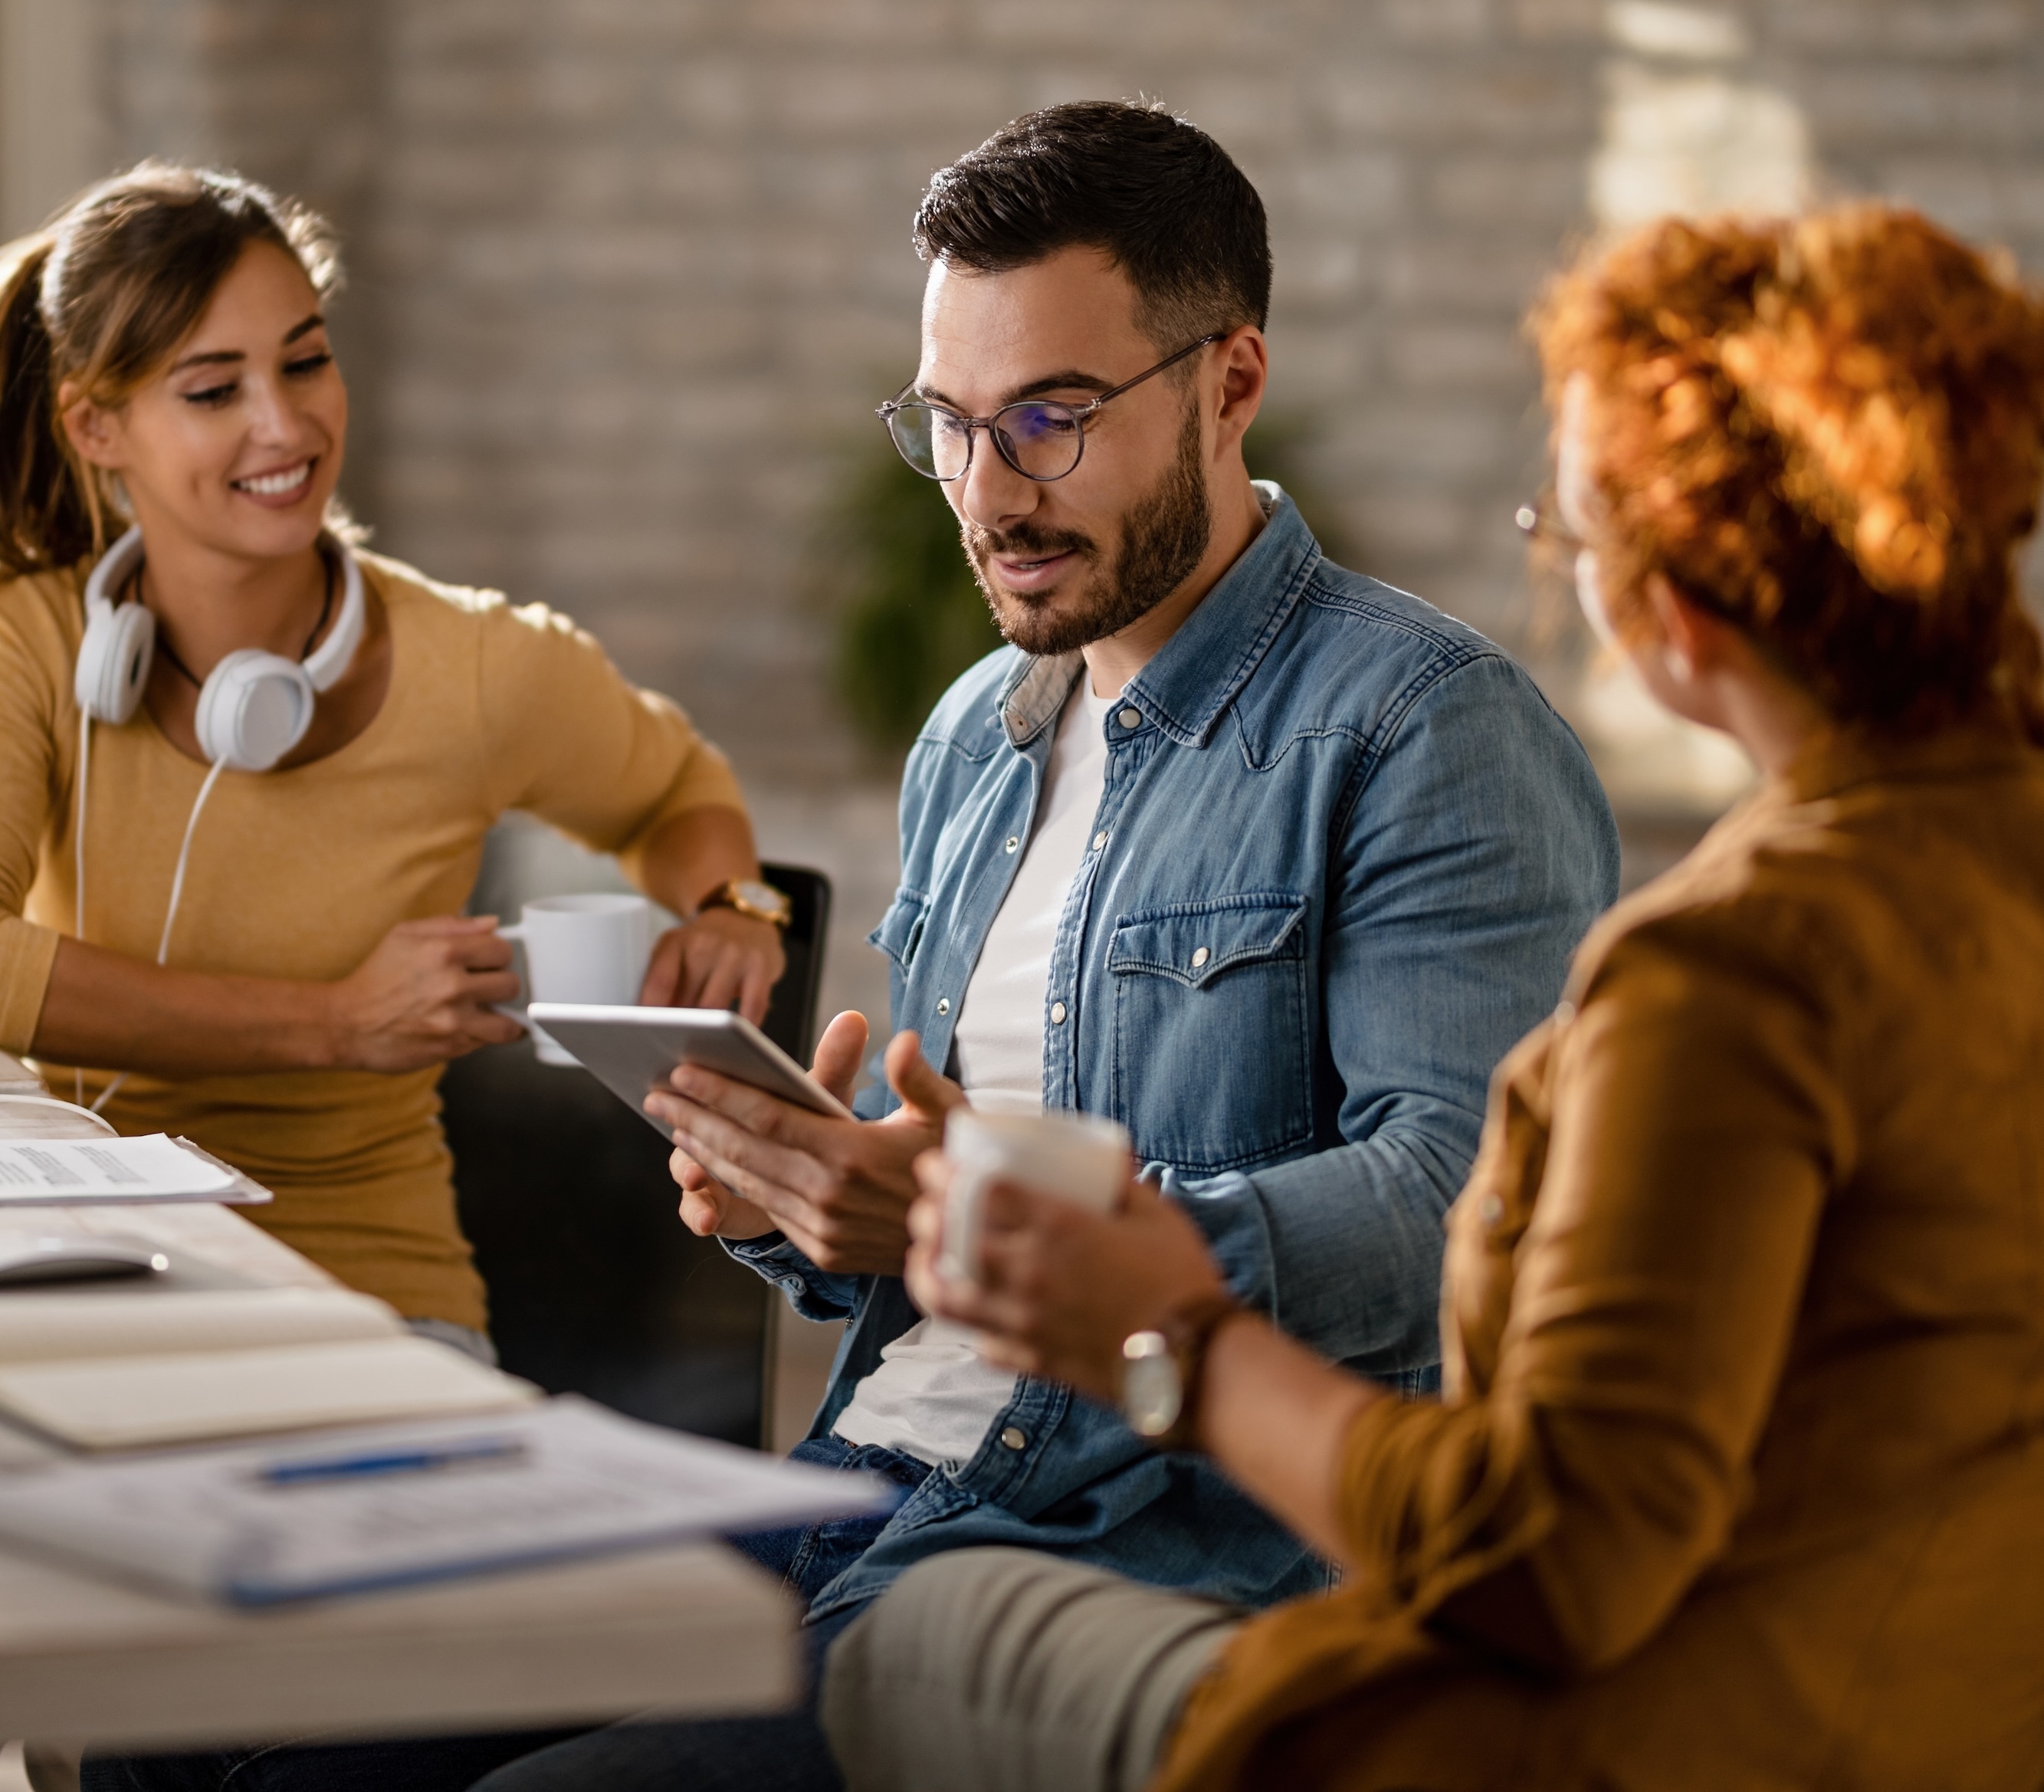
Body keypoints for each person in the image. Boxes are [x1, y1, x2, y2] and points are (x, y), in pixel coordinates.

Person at [415, 100, 1616, 1792]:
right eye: (952, 425)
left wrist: (1038, 1225)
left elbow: (1470, 1203)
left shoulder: (1421, 731)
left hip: (1129, 1547)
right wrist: (808, 1201)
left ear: (1229, 380)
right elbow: (926, 1217)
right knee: (244, 1728)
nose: (988, 494)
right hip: (853, 1486)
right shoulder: (975, 731)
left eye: (1048, 418)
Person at [821, 202, 2044, 1792]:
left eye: (1570, 530)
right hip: (1944, 1703)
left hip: (1627, 1731)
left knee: (904, 1641)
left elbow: (1548, 1554)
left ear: (1668, 609)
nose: (990, 483)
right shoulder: (1955, 883)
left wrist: (1164, 1322)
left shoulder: (1728, 972)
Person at [0, 162, 786, 1351]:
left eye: (305, 360)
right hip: (102, 1269)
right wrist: (332, 1022)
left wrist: (735, 905)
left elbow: (677, 788)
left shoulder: (482, 666)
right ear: (96, 425)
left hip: (380, 1295)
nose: (286, 424)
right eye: (215, 388)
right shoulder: (37, 639)